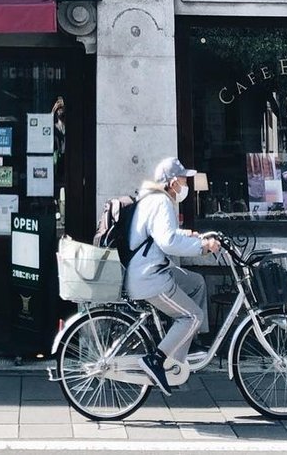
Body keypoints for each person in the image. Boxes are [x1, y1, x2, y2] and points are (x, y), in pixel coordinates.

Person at [124, 156, 220, 396]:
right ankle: (157, 360)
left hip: (153, 268)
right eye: (182, 179)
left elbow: (162, 234)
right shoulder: (160, 202)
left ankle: (182, 351)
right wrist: (203, 247)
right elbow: (167, 242)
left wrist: (189, 235)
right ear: (171, 182)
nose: (185, 184)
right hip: (150, 278)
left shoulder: (153, 199)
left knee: (196, 283)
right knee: (192, 316)